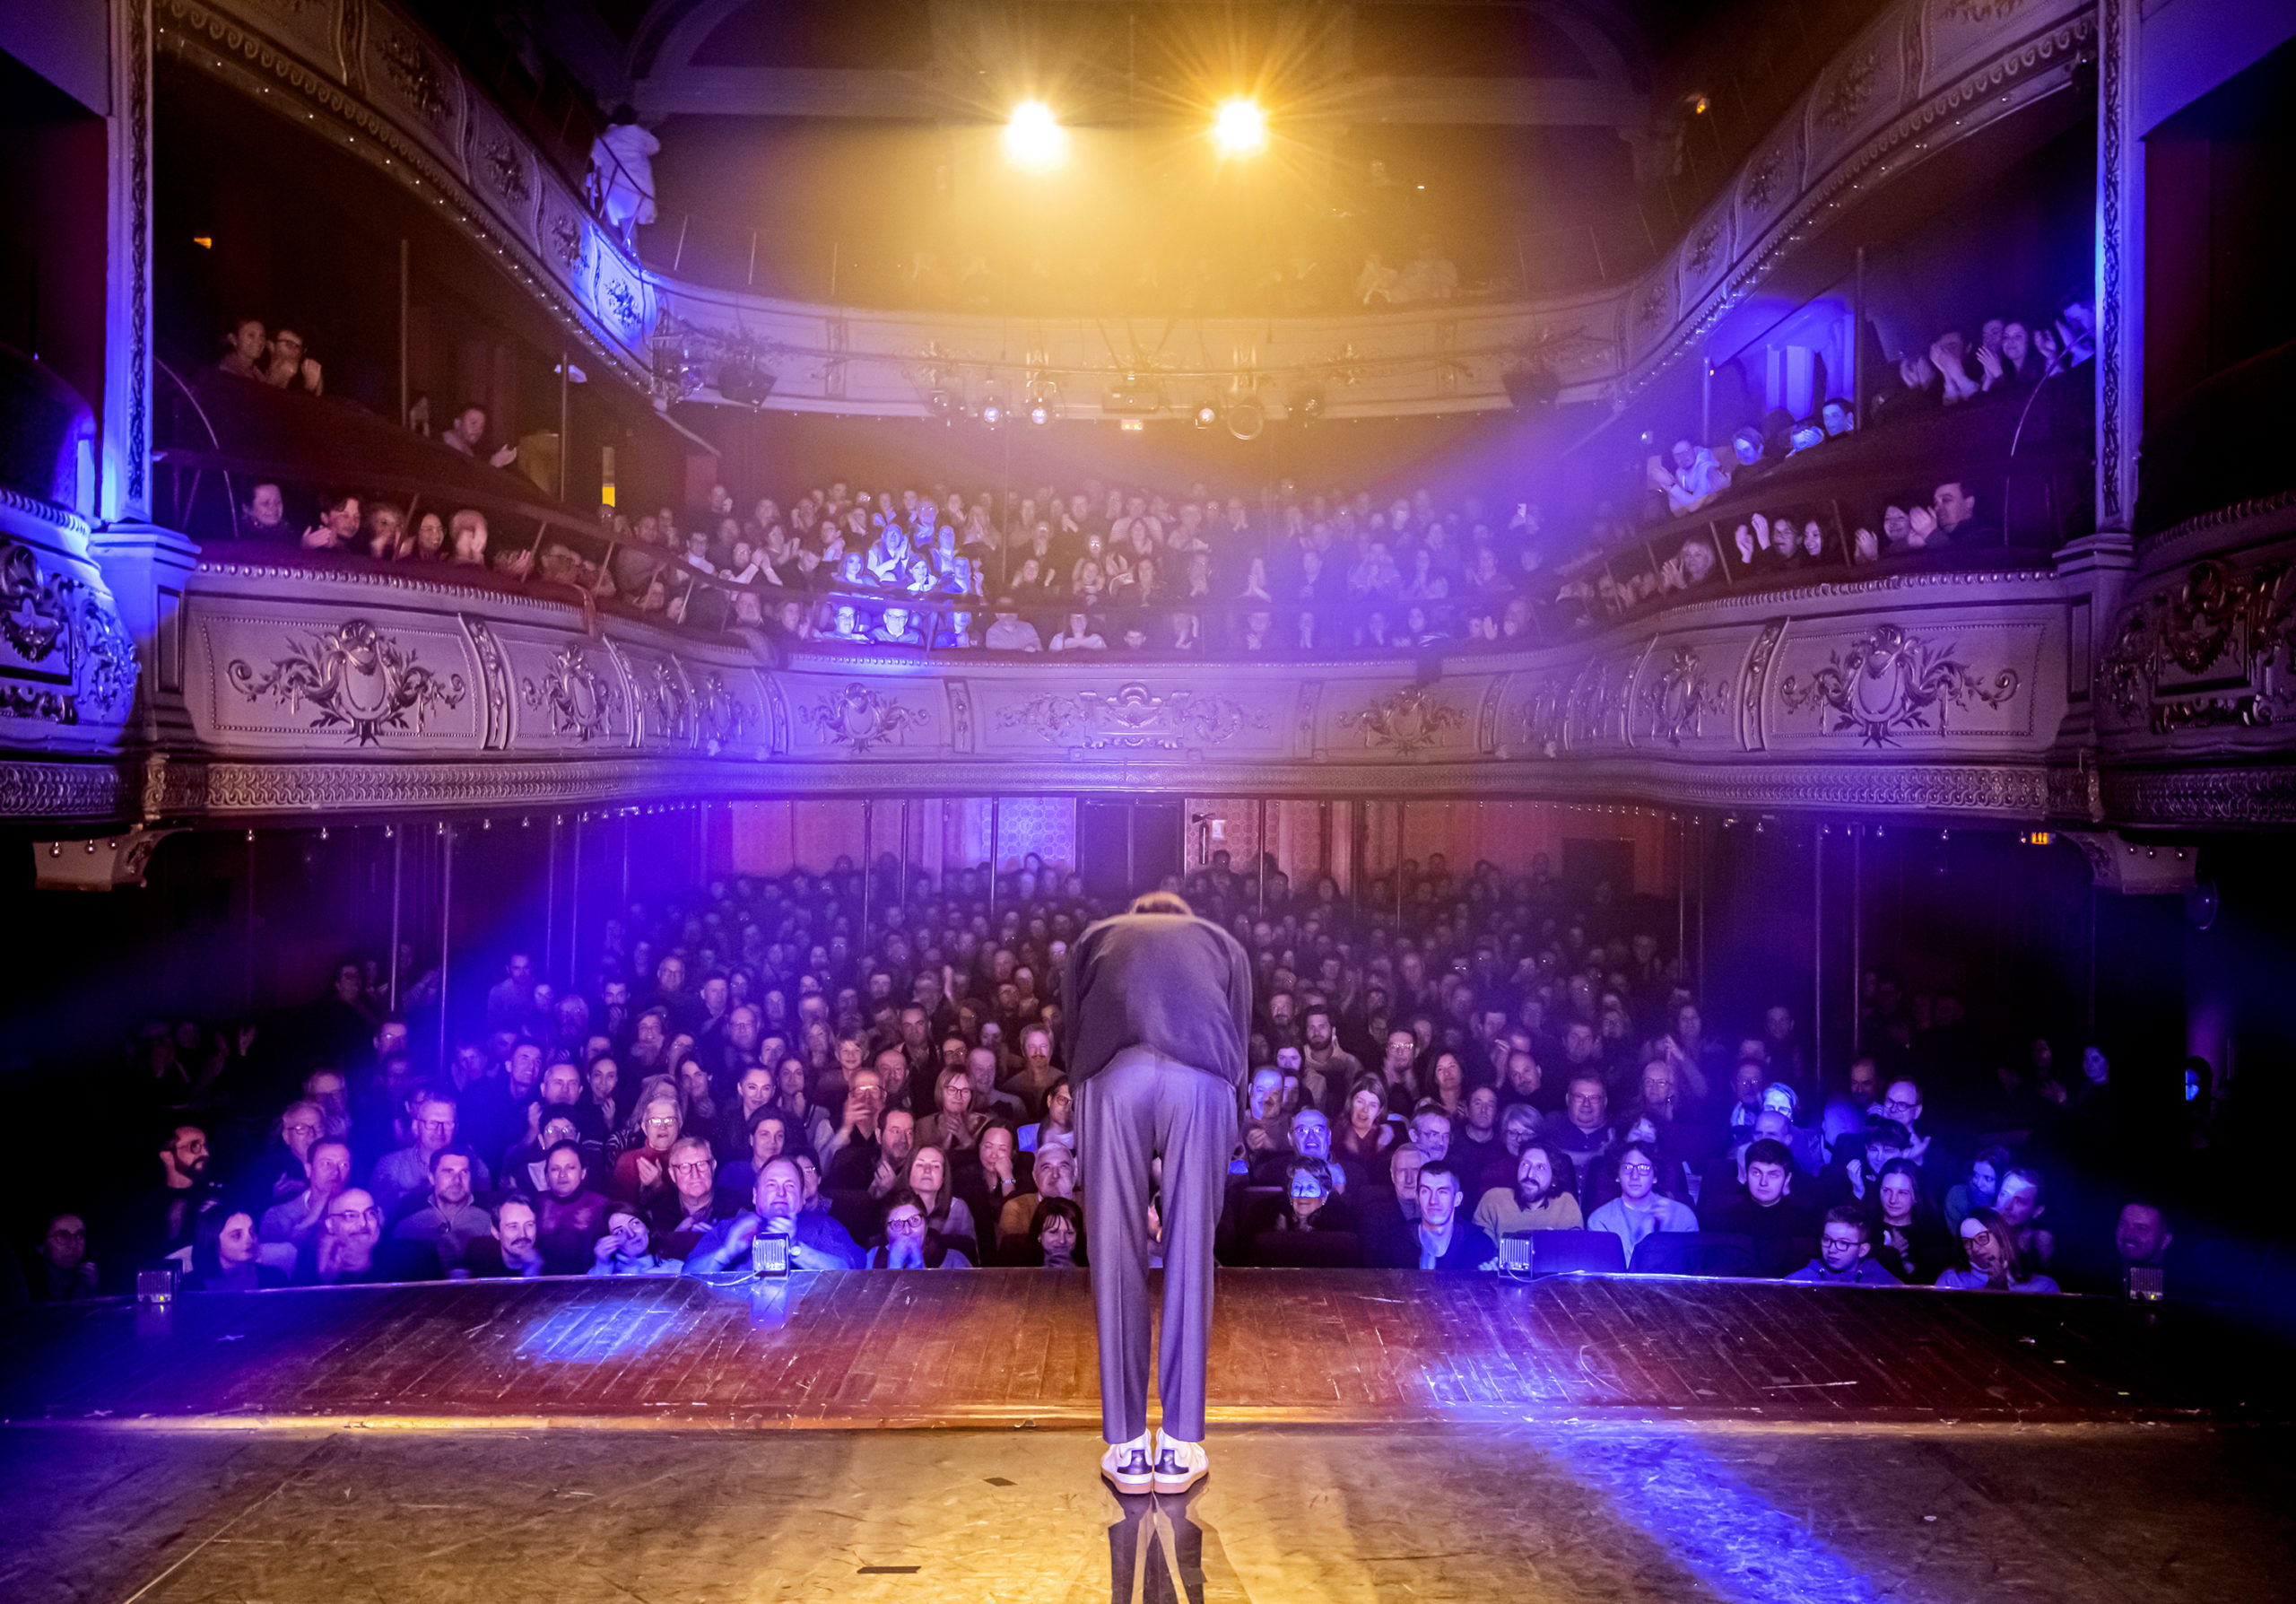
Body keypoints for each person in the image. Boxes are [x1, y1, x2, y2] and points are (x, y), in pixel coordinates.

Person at [1064, 890, 1249, 1497]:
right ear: (1182, 919)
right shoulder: (1221, 939)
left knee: (1114, 1249)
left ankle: (1125, 1445)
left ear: (1135, 916)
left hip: (1113, 1074)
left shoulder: (1098, 931)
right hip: (1202, 1079)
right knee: (1190, 1249)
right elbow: (1238, 1044)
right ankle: (1176, 1448)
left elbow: (1072, 1028)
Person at [683, 1155, 864, 1274]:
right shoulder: (728, 1229)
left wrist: (795, 1248)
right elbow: (686, 1277)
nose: (781, 1193)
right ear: (755, 1196)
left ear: (801, 1198)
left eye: (790, 1186)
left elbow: (850, 1274)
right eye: (771, 1185)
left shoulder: (824, 1227)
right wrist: (725, 1254)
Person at [1585, 1142, 1698, 1261]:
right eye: (1627, 1167)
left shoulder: (1683, 1215)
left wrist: (1663, 1232)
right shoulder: (1600, 1220)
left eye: (1643, 1168)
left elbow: (1691, 1270)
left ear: (1655, 1177)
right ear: (1618, 1175)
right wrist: (1645, 1236)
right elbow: (1613, 1275)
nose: (1635, 1176)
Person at [1472, 1139, 1583, 1240]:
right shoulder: (1493, 1200)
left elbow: (1575, 1255)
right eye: (1525, 1165)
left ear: (1553, 1178)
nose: (1530, 1175)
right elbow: (1480, 1253)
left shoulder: (1567, 1205)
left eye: (1540, 1168)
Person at [1935, 1207, 2060, 1293]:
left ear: (2001, 1237)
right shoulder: (1951, 1282)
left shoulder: (2042, 1287)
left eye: (1982, 1238)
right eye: (1967, 1242)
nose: (1975, 1248)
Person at [1412, 1161, 1495, 1271]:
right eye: (1426, 1191)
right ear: (1417, 1197)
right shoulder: (1395, 1244)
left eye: (1442, 1192)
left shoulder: (1480, 1245)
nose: (1433, 1201)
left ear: (1457, 1199)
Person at [1784, 1207, 1899, 1285]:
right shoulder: (1799, 1282)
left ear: (1863, 1250)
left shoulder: (1885, 1283)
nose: (1832, 1249)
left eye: (1844, 1243)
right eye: (1827, 1240)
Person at [187, 1209, 283, 1292]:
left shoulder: (275, 1278)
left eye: (251, 1231)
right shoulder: (188, 1287)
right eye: (237, 1235)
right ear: (212, 1241)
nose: (250, 1240)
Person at [589, 1204, 683, 1277]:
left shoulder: (677, 1269)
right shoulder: (600, 1274)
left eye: (635, 1224)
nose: (631, 1235)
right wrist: (603, 1265)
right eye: (619, 1232)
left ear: (647, 1227)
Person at [439, 403, 518, 469]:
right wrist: (493, 465)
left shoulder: (468, 451)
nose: (478, 430)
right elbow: (461, 480)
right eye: (473, 423)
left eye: (481, 426)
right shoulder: (447, 443)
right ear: (457, 423)